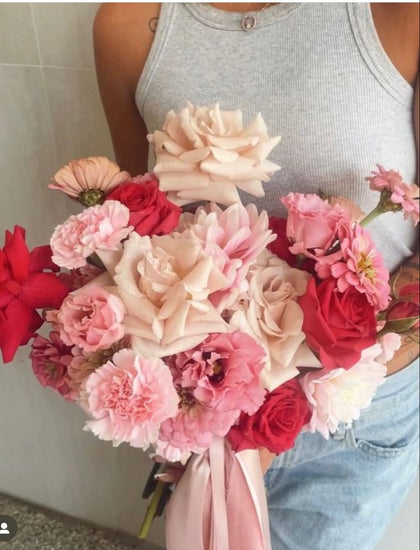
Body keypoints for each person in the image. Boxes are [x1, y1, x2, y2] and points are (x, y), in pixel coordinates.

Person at [93, 3, 419, 549]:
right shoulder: (130, 23)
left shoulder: (399, 11)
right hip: (205, 398)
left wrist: (357, 365)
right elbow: (138, 224)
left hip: (357, 413)